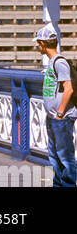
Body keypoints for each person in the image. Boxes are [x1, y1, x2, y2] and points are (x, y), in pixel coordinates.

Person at [36, 25, 76, 188]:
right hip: (54, 117)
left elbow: (69, 89)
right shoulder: (53, 62)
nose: (37, 47)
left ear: (43, 44)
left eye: (38, 43)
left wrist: (59, 113)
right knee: (54, 156)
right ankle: (58, 184)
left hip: (62, 118)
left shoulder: (60, 63)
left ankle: (67, 185)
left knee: (65, 156)